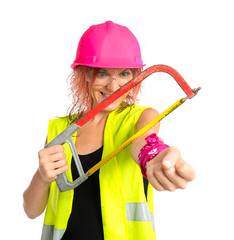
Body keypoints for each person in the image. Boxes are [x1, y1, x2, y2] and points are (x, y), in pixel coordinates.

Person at [23, 21, 195, 240]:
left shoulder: (141, 117)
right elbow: (31, 211)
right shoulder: (59, 130)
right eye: (102, 74)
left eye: (124, 74)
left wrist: (155, 158)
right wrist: (42, 176)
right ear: (84, 74)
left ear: (135, 76)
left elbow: (144, 143)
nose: (114, 87)